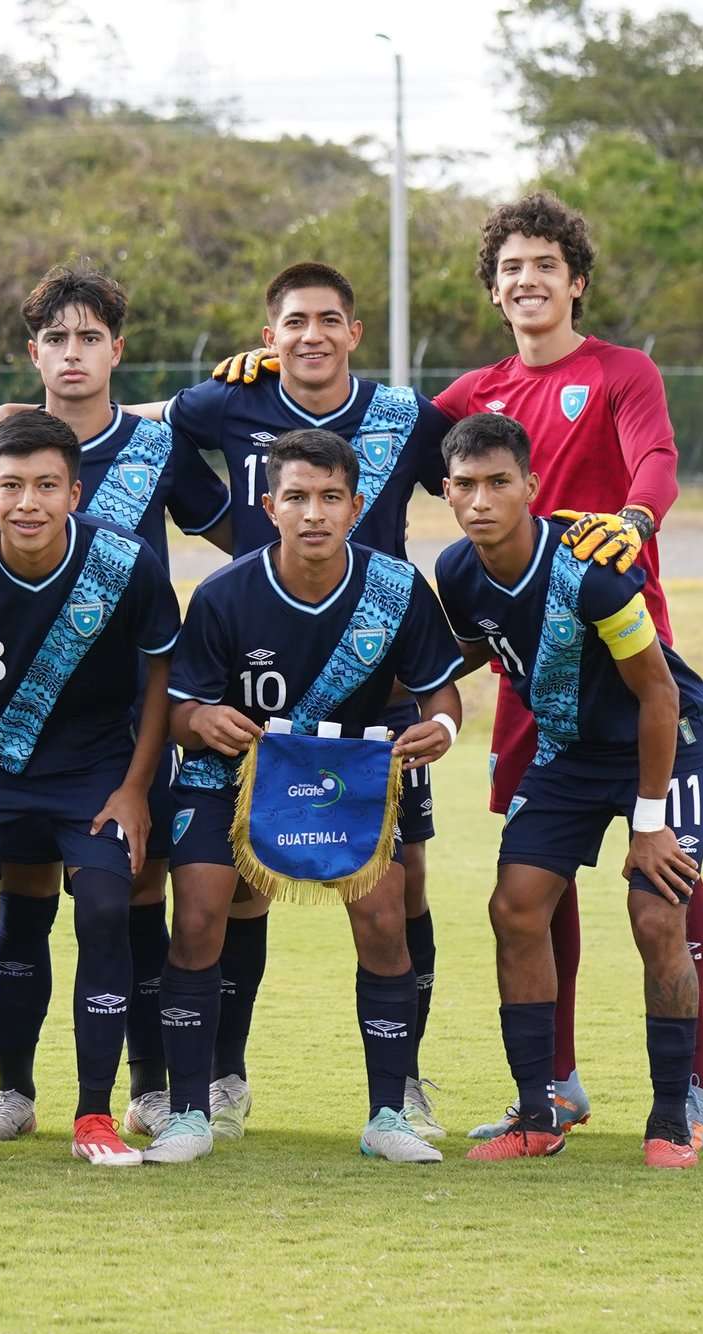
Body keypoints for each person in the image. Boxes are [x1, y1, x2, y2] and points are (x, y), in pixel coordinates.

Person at [201, 201, 703, 1149]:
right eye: (511, 267)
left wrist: (636, 520)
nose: (528, 280)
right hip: (534, 688)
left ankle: (692, 1091)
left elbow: (657, 459)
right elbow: (354, 423)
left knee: (662, 887)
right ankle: (548, 1088)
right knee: (525, 892)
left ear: (575, 280)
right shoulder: (471, 400)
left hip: (627, 656)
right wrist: (268, 374)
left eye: (545, 265)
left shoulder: (621, 372)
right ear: (494, 286)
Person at [0, 262, 231, 1146]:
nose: (73, 354)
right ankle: (14, 1090)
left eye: (89, 338)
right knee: (21, 896)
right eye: (56, 339)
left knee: (130, 890)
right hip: (5, 716)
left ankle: (140, 1086)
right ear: (33, 352)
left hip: (118, 719)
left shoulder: (155, 449)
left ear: (117, 350)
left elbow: (242, 536)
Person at [154, 428, 462, 1164]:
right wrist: (200, 718)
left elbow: (439, 687)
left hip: (346, 769)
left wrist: (443, 723)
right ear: (269, 506)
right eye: (296, 497)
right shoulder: (226, 592)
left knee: (386, 915)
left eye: (330, 498)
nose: (314, 513)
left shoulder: (395, 587)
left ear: (357, 506)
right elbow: (175, 710)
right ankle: (190, 1112)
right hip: (231, 771)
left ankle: (388, 1112)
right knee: (198, 912)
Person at [433, 413, 703, 1167]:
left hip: (666, 742)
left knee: (656, 913)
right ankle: (537, 1116)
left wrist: (650, 823)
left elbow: (658, 694)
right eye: (466, 485)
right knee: (516, 905)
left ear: (531, 487)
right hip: (570, 750)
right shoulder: (457, 572)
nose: (482, 499)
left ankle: (668, 1120)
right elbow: (475, 642)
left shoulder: (591, 569)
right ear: (446, 494)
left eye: (500, 482)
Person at [0, 411, 181, 1168]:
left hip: (89, 772)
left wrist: (133, 788)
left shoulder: (126, 565)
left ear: (74, 492)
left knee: (104, 906)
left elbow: (161, 676)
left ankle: (94, 1113)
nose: (29, 502)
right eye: (13, 484)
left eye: (47, 485)